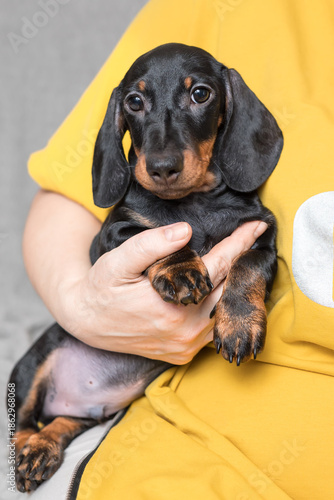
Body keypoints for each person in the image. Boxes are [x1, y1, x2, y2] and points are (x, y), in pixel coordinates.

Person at [25, 0, 334, 498]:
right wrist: (150, 270)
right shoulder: (196, 8)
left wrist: (242, 295)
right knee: (28, 375)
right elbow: (106, 235)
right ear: (122, 125)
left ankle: (59, 427)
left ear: (226, 111)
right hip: (177, 416)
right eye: (137, 105)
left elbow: (260, 246)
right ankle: (28, 430)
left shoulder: (243, 211)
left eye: (199, 96)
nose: (165, 157)